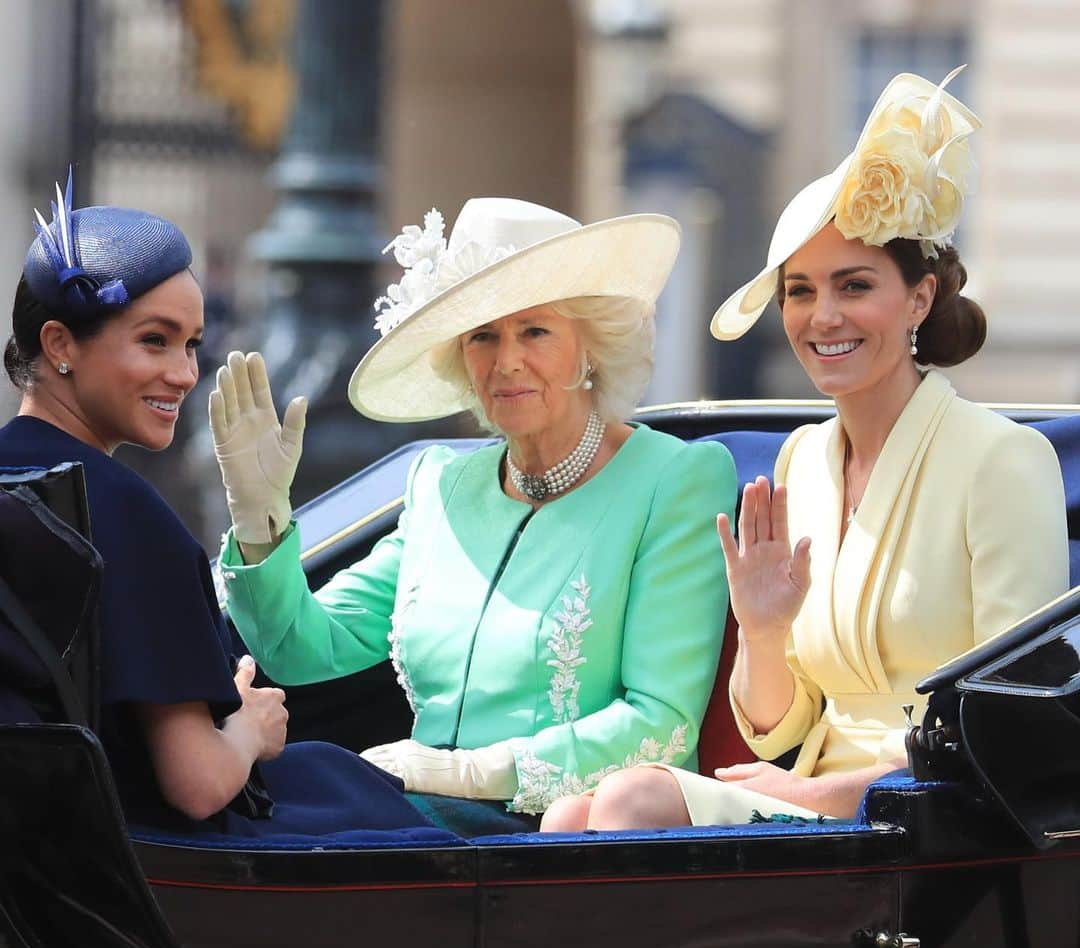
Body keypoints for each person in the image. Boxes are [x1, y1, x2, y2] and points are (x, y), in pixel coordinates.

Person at [541, 68, 1069, 831]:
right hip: (819, 805)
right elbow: (778, 727)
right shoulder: (802, 462)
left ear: (918, 298)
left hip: (931, 811)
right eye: (798, 290)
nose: (822, 316)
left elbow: (1004, 724)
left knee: (630, 800)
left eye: (854, 286)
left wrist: (814, 792)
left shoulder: (1003, 460)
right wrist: (762, 628)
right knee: (564, 818)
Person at [213, 197, 736, 833]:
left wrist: (476, 772)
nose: (505, 359)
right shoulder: (441, 484)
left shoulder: (675, 480)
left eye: (535, 331)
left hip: (555, 831)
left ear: (589, 348)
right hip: (414, 812)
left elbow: (662, 722)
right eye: (483, 335)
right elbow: (301, 648)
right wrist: (260, 519)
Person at [0, 173, 443, 839]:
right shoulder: (126, 514)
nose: (182, 373)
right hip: (153, 869)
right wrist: (249, 727)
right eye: (155, 339)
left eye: (190, 345)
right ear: (60, 345)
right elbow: (200, 782)